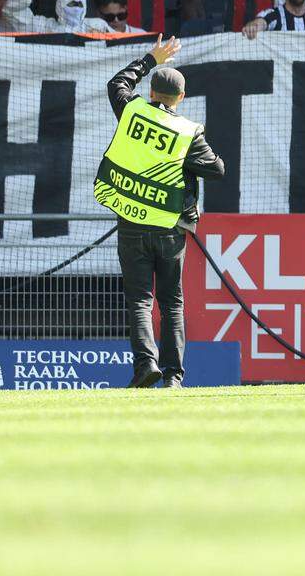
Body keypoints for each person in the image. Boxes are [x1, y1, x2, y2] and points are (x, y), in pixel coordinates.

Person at [97, 39, 224, 389]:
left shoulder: (132, 111)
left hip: (132, 222)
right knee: (171, 301)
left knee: (139, 299)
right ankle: (173, 376)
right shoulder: (187, 133)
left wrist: (151, 57)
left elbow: (117, 84)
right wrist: (185, 164)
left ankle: (144, 366)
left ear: (151, 91)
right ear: (180, 98)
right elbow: (217, 169)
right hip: (169, 227)